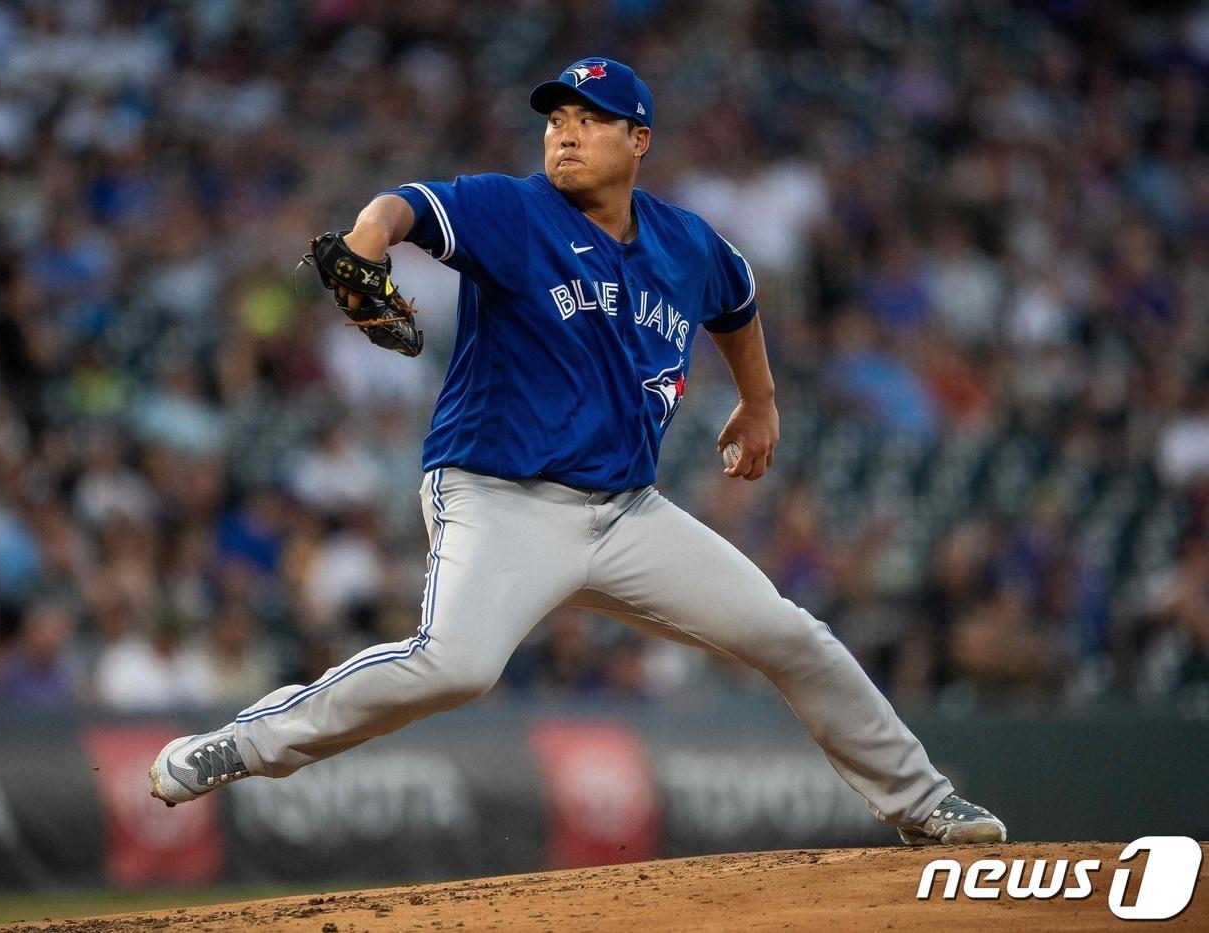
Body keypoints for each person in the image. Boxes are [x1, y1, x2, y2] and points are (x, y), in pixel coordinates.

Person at [150, 58, 1006, 846]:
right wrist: (368, 243)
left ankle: (922, 802)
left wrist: (760, 399)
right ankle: (247, 740)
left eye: (591, 118)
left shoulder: (687, 244)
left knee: (791, 634)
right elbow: (402, 203)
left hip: (628, 514)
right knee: (456, 664)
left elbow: (736, 299)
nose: (565, 129)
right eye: (556, 115)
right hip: (499, 497)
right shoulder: (514, 210)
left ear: (639, 140)